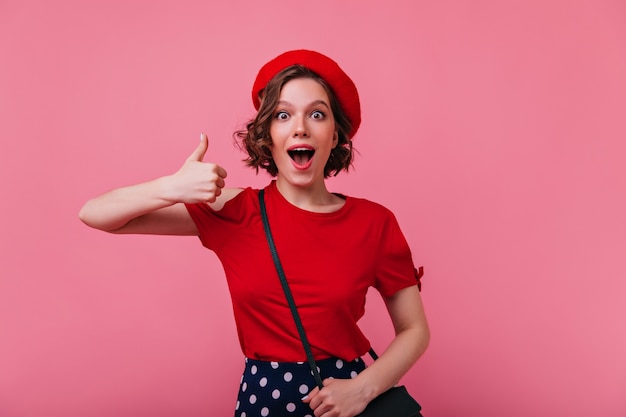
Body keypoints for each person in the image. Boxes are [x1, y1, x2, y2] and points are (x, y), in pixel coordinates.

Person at [79, 49, 430, 417]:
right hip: (265, 401)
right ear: (267, 135)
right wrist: (170, 187)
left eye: (316, 114)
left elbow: (414, 329)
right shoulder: (236, 211)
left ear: (335, 133)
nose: (300, 127)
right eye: (283, 114)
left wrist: (362, 389)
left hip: (348, 401)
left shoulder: (375, 222)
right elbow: (95, 214)